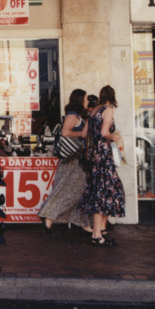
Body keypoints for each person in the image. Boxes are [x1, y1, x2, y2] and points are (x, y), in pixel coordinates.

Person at [38, 89, 92, 234]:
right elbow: (65, 132)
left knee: (79, 192)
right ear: (80, 100)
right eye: (86, 98)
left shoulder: (78, 116)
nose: (87, 101)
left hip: (76, 160)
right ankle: (48, 215)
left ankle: (82, 222)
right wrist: (83, 134)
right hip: (72, 161)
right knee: (69, 191)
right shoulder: (72, 116)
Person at [78, 85, 125, 247]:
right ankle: (97, 234)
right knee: (106, 192)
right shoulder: (108, 110)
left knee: (101, 190)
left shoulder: (93, 111)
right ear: (112, 97)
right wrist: (115, 137)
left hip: (92, 156)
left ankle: (101, 230)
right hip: (103, 155)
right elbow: (105, 133)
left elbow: (84, 134)